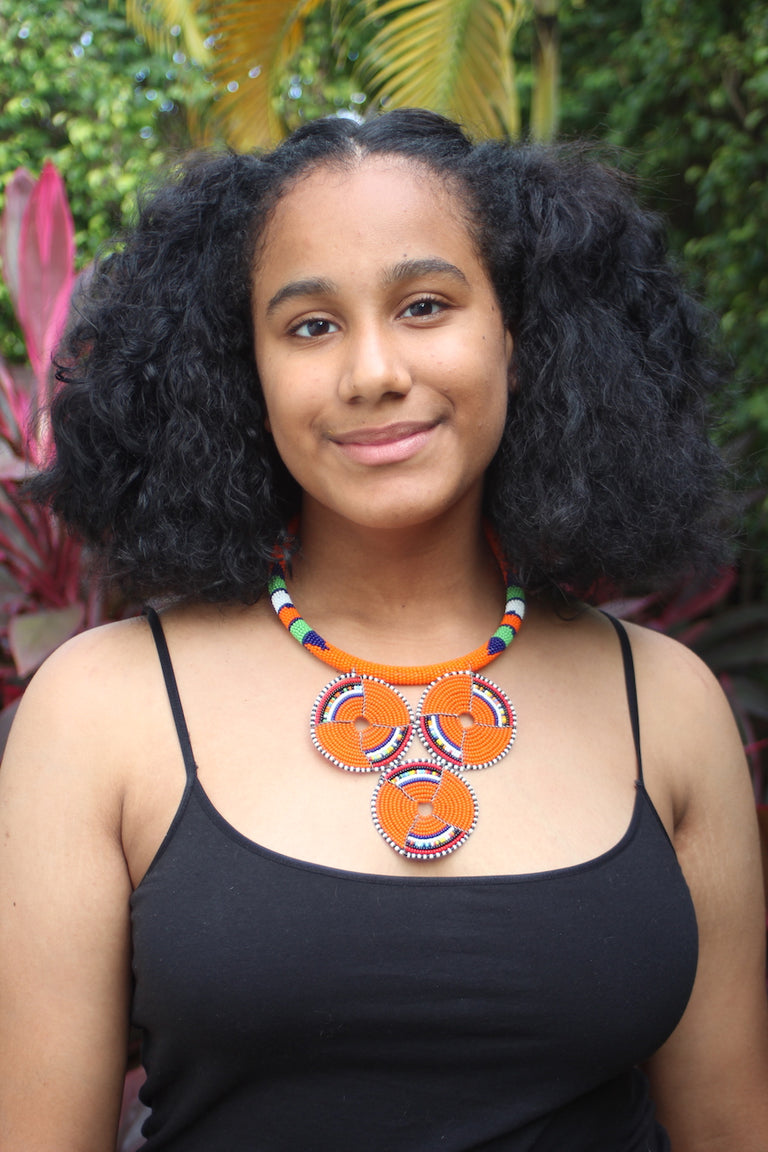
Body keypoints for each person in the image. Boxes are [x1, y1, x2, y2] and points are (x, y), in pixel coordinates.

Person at [0, 108, 766, 1152]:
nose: (372, 372)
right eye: (309, 325)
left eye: (424, 305)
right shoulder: (100, 712)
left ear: (518, 332)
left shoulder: (668, 706)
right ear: (243, 371)